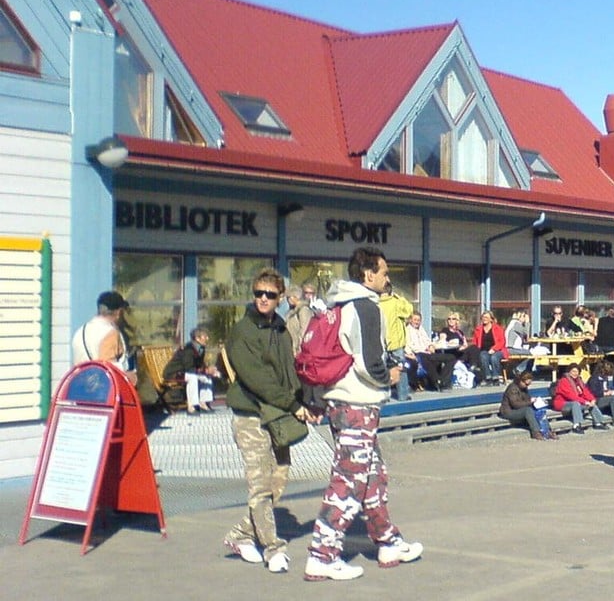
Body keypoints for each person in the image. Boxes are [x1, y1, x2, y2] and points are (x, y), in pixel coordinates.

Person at [305, 247, 421, 582]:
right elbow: (371, 363)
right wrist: (390, 375)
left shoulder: (335, 305)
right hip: (359, 404)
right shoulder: (366, 307)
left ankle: (388, 541)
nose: (387, 279)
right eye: (384, 273)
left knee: (372, 475)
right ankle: (322, 555)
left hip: (339, 402)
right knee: (349, 480)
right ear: (368, 275)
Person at [223, 268, 311, 574]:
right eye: (258, 293)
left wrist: (302, 401)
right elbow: (255, 378)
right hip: (250, 414)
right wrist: (291, 403)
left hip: (278, 415)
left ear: (280, 298)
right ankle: (273, 547)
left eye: (269, 295)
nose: (263, 299)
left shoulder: (282, 331)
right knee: (259, 485)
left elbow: (289, 373)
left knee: (279, 479)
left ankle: (240, 535)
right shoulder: (243, 331)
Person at [71, 290, 136, 383]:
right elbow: (107, 366)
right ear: (118, 312)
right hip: (102, 391)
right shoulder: (110, 333)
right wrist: (129, 375)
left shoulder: (80, 331)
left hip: (81, 387)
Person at [162, 326, 218, 413]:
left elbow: (199, 365)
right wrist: (205, 370)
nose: (207, 338)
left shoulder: (201, 349)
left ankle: (203, 402)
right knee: (193, 378)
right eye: (205, 336)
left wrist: (207, 370)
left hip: (186, 372)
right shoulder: (188, 349)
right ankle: (191, 406)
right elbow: (189, 367)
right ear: (197, 338)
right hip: (175, 373)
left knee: (207, 378)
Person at [377, 283, 413, 401]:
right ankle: (403, 395)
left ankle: (383, 395)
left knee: (382, 369)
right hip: (395, 343)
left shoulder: (375, 303)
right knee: (400, 368)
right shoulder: (395, 302)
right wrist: (399, 297)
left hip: (380, 342)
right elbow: (409, 311)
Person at [551, 364, 609, 433]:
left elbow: (585, 392)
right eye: (573, 371)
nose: (575, 373)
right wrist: (585, 402)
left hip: (577, 401)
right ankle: (576, 425)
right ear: (569, 372)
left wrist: (592, 399)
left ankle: (598, 422)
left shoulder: (579, 381)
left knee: (591, 403)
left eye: (577, 372)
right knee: (576, 404)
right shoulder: (564, 381)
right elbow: (571, 396)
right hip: (562, 403)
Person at [498, 372, 553, 440]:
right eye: (526, 384)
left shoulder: (524, 388)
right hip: (508, 411)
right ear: (521, 381)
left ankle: (548, 430)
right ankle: (536, 432)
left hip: (519, 409)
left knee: (539, 410)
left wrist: (535, 401)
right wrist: (530, 402)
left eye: (528, 384)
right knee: (527, 410)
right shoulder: (512, 389)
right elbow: (515, 405)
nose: (527, 386)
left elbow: (526, 400)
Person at [473, 311, 507, 385]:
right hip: (484, 350)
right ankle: (487, 377)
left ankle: (496, 377)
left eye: (486, 317)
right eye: (483, 317)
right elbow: (475, 342)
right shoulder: (478, 329)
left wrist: (494, 349)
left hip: (498, 350)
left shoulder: (498, 328)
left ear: (491, 319)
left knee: (494, 357)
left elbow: (502, 341)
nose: (484, 319)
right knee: (483, 356)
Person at [404, 312, 434, 392]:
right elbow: (407, 345)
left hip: (425, 352)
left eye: (418, 320)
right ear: (410, 320)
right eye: (415, 320)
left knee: (441, 358)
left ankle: (435, 383)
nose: (417, 322)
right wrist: (410, 354)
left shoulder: (421, 329)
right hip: (416, 353)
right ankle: (416, 384)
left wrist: (430, 346)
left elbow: (427, 340)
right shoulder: (408, 330)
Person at [283, 285, 314, 355]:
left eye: (289, 297)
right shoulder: (292, 311)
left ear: (295, 297)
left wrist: (299, 348)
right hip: (291, 348)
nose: (288, 300)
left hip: (300, 350)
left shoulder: (303, 310)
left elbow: (305, 330)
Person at [504, 311, 533, 376]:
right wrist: (527, 322)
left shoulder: (512, 323)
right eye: (523, 316)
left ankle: (520, 370)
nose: (524, 318)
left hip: (510, 348)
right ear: (519, 317)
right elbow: (526, 333)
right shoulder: (516, 324)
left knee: (526, 353)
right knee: (530, 354)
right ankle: (519, 369)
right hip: (511, 349)